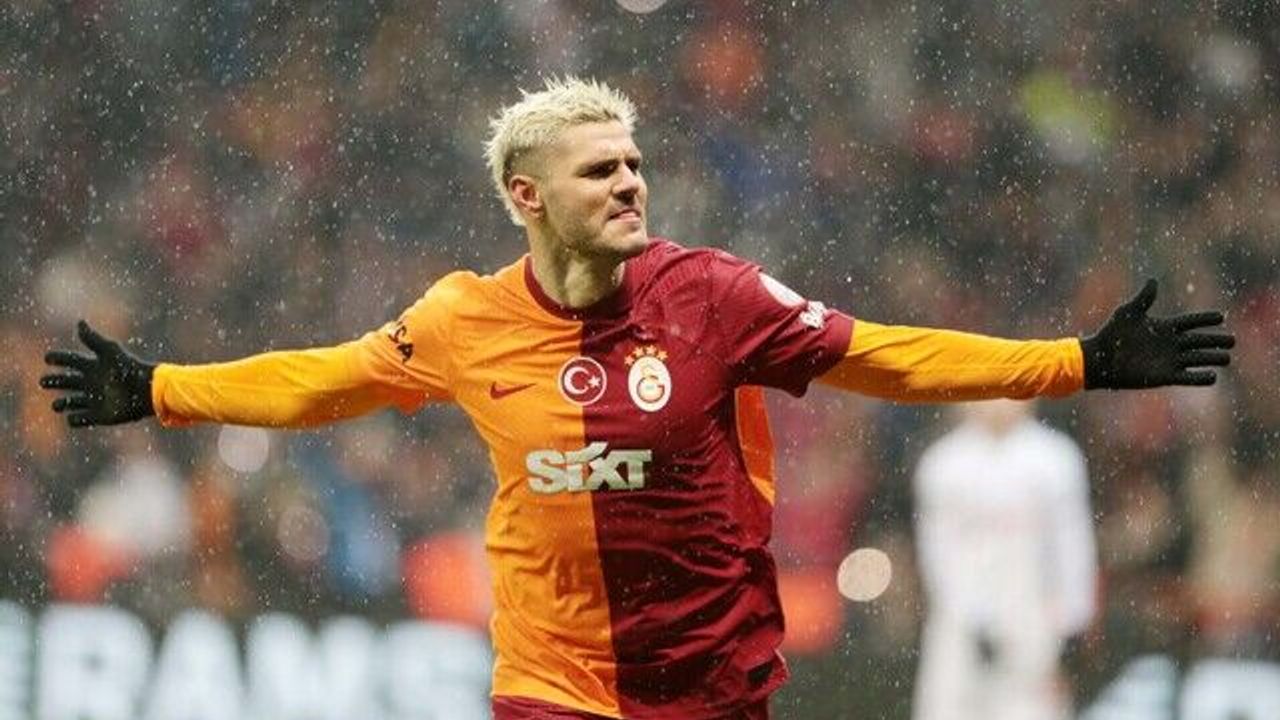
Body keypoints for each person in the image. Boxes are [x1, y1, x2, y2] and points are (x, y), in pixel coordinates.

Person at [39, 77, 1234, 720]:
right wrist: (160, 389)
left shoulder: (712, 295)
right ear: (525, 196)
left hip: (710, 688)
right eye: (597, 169)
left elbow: (884, 356)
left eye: (634, 164)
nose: (629, 184)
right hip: (550, 687)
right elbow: (323, 381)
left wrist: (1073, 362)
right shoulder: (462, 319)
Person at [912, 399, 1097, 720]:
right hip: (960, 630)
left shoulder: (1055, 459)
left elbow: (1073, 548)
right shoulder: (943, 464)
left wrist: (1073, 624)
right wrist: (972, 615)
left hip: (1035, 625)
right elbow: (937, 555)